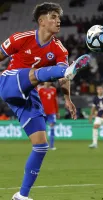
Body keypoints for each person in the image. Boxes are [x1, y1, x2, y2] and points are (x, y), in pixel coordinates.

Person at [0, 2, 90, 200]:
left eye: (59, 17)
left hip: (28, 93)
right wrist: (64, 73)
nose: (58, 20)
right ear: (41, 21)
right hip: (8, 81)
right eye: (53, 17)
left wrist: (67, 98)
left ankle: (22, 196)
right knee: (36, 74)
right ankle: (63, 70)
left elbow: (63, 79)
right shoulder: (20, 38)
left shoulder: (60, 50)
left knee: (41, 145)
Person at [38, 82, 59, 150]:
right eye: (47, 81)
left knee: (52, 128)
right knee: (42, 129)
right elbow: (37, 101)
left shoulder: (54, 90)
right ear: (44, 81)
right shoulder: (40, 90)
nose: (48, 82)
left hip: (52, 112)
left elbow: (55, 101)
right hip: (42, 112)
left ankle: (51, 145)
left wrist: (57, 111)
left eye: (50, 81)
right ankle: (42, 144)